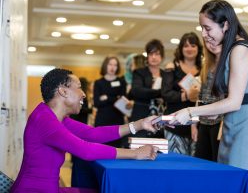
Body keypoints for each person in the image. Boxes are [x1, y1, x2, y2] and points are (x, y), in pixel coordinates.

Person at [170, 0, 248, 193]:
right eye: (202, 28)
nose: (204, 34)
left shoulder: (240, 49)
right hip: (235, 120)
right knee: (230, 180)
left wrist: (191, 111)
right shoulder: (231, 49)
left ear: (225, 25)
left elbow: (233, 101)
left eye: (208, 28)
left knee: (245, 181)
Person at [11, 68, 159, 193]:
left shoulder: (54, 117)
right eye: (79, 87)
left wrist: (139, 124)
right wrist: (136, 153)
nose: (83, 93)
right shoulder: (45, 120)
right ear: (63, 91)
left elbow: (92, 134)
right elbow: (86, 150)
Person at [162, 32, 202, 155]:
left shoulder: (204, 68)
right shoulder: (172, 67)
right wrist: (186, 96)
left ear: (198, 48)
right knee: (176, 163)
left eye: (193, 45)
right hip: (175, 123)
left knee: (196, 164)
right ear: (181, 48)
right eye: (186, 46)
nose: (189, 49)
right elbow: (165, 93)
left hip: (198, 123)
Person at [192, 41, 224, 162]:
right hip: (203, 122)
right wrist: (194, 124)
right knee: (201, 162)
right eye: (209, 42)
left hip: (220, 122)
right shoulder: (207, 65)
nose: (213, 45)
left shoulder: (228, 64)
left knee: (218, 162)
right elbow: (200, 97)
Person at [128, 39, 166, 139]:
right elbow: (137, 91)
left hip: (160, 117)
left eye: (157, 54)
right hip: (141, 116)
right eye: (151, 54)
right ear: (147, 56)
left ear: (161, 56)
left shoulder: (166, 74)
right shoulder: (139, 72)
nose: (154, 57)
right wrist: (161, 93)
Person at [93, 56, 127, 147]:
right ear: (105, 66)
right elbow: (97, 103)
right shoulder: (98, 83)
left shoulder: (121, 82)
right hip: (102, 120)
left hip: (117, 119)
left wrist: (106, 97)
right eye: (110, 64)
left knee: (116, 148)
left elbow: (123, 101)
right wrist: (115, 98)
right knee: (101, 147)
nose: (112, 67)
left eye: (115, 65)